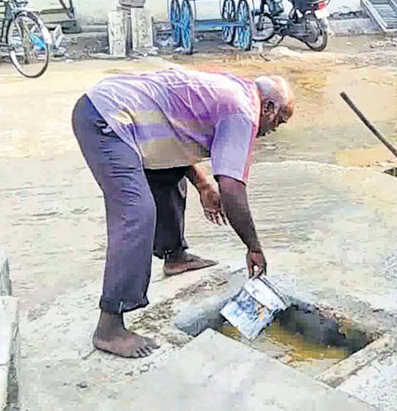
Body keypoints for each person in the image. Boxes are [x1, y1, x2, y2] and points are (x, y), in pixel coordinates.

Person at [71, 67, 294, 358]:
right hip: (106, 120)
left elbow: (176, 134)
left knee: (168, 174)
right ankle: (110, 326)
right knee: (136, 213)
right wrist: (254, 247)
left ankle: (175, 257)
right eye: (279, 120)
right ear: (268, 106)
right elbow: (232, 188)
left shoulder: (232, 90)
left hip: (118, 112)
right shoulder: (243, 110)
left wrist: (203, 185)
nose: (274, 128)